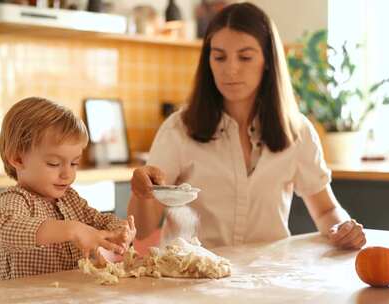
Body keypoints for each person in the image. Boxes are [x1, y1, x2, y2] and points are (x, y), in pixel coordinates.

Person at [128, 3, 366, 250]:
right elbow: (143, 229)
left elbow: (327, 210)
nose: (230, 69)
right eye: (219, 56)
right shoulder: (179, 129)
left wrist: (342, 228)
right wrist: (141, 191)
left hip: (268, 278)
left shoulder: (298, 131)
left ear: (267, 60)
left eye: (245, 57)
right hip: (192, 277)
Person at [0, 97, 136, 280]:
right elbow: (8, 228)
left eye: (74, 163)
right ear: (18, 159)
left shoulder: (70, 199)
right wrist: (72, 230)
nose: (67, 174)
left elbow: (99, 221)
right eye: (54, 164)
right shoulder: (16, 199)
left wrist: (119, 230)